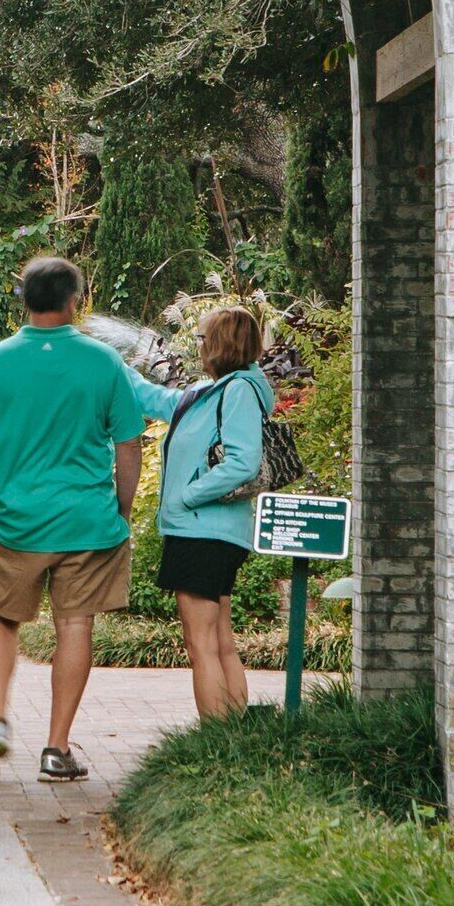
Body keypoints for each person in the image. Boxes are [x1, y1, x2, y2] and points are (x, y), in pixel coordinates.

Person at [0, 254, 143, 783]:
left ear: (25, 300)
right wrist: (120, 511)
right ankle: (56, 750)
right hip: (86, 520)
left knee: (0, 616)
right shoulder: (104, 362)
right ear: (73, 301)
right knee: (75, 624)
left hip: (16, 520)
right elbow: (129, 445)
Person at [151, 306, 274, 721]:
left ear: (220, 344)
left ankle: (215, 741)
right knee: (220, 641)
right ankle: (233, 738)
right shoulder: (215, 392)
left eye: (203, 339)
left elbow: (243, 462)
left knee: (200, 643)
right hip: (215, 531)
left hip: (203, 532)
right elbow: (159, 399)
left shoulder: (237, 391)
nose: (199, 346)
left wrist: (186, 497)